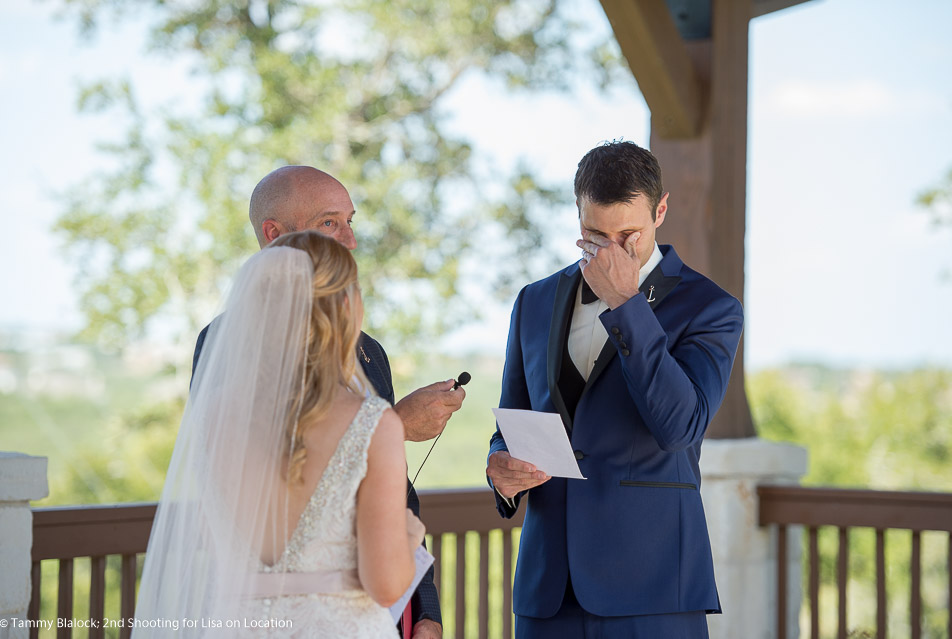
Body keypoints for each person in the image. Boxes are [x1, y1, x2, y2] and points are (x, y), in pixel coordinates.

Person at [485, 141, 744, 638]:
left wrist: (627, 302)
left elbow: (679, 427)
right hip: (547, 590)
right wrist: (500, 468)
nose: (610, 250)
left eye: (628, 234)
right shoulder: (534, 301)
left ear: (661, 210)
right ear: (577, 215)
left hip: (653, 589)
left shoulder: (712, 309)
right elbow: (514, 419)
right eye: (593, 234)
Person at [192, 166, 458, 639]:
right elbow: (267, 471)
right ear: (274, 234)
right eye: (331, 222)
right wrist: (394, 426)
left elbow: (393, 491)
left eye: (351, 221)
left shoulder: (370, 353)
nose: (351, 241)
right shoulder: (224, 346)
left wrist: (427, 607)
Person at [136, 231, 426, 637]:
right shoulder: (371, 423)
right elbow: (386, 586)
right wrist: (408, 536)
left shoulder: (210, 416)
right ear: (344, 306)